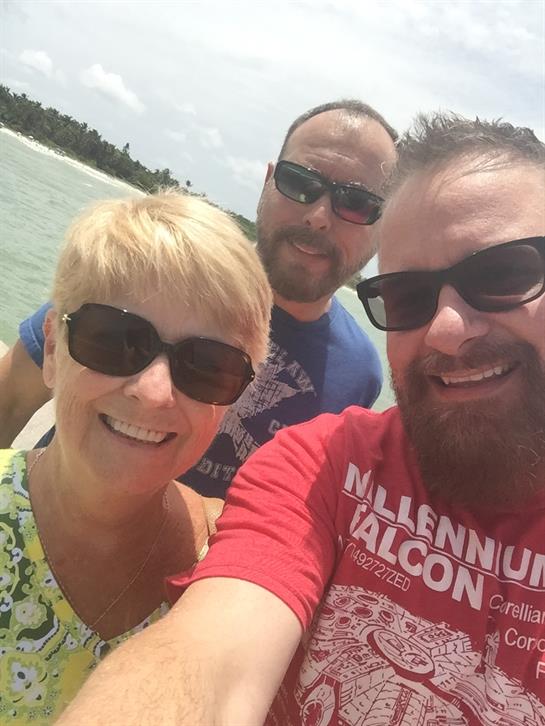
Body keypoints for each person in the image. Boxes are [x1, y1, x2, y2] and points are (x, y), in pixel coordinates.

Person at [57, 112, 545, 725]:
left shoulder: (358, 368)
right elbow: (214, 657)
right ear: (269, 179)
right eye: (408, 296)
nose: (446, 330)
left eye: (502, 275)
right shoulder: (322, 464)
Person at [0, 99, 398, 498]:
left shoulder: (359, 374)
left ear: (385, 226)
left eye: (357, 203)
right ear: (269, 181)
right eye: (300, 183)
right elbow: (12, 396)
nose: (318, 216)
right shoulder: (160, 264)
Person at [0, 191, 271, 724]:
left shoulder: (229, 574)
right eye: (115, 340)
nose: (153, 391)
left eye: (207, 366)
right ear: (52, 349)